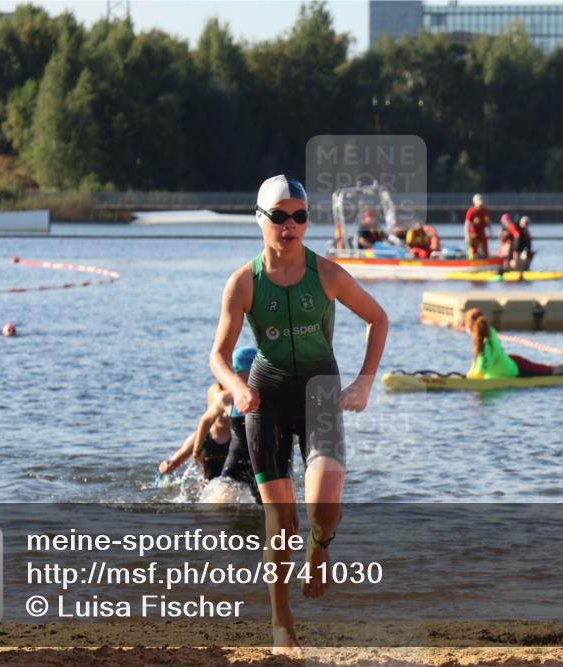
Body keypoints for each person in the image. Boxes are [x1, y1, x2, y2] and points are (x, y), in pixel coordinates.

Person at [210, 175, 389, 654]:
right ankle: (280, 618)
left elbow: (378, 318)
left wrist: (365, 380)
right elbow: (219, 357)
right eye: (279, 217)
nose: (290, 226)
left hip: (320, 394)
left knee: (325, 508)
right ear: (260, 219)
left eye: (300, 217)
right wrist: (236, 389)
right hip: (265, 398)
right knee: (280, 520)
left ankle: (321, 546)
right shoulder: (244, 282)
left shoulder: (326, 273)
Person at [158, 347, 267, 502]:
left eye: (240, 373)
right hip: (233, 465)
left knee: (263, 504)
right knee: (219, 501)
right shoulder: (227, 398)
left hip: (259, 464)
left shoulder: (267, 398)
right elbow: (205, 420)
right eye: (234, 373)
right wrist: (195, 452)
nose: (234, 378)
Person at [464, 308, 563, 381]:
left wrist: (466, 381)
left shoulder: (485, 347)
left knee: (554, 370)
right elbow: (478, 365)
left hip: (516, 369)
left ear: (470, 328)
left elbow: (481, 369)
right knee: (552, 369)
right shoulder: (489, 333)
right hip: (510, 362)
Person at [464, 194, 491, 259]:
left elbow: (488, 222)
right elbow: (466, 224)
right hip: (473, 235)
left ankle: (485, 260)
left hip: (482, 234)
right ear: (474, 203)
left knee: (485, 250)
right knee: (473, 251)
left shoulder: (485, 211)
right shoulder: (471, 211)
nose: (480, 206)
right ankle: (472, 261)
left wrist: (490, 232)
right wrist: (466, 236)